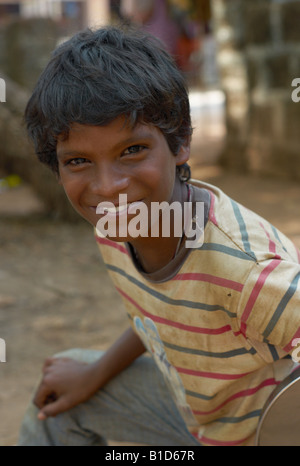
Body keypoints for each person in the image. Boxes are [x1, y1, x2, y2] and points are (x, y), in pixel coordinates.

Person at [18, 25, 300, 447]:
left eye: (131, 150)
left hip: (254, 434)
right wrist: (96, 374)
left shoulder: (249, 273)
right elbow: (168, 312)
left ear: (180, 140)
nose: (108, 185)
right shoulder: (118, 226)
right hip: (196, 414)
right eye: (78, 160)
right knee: (62, 393)